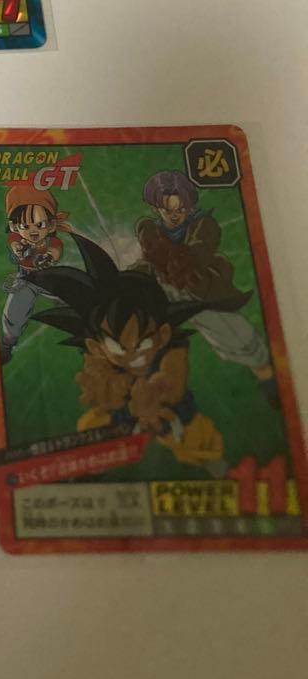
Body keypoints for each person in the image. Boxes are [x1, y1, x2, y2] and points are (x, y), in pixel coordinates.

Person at [29, 234, 232, 476]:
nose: (133, 354)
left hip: (169, 410)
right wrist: (112, 390)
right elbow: (98, 382)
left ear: (163, 334)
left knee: (197, 436)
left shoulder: (171, 348)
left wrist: (157, 394)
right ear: (97, 346)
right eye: (118, 347)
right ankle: (88, 470)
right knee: (90, 427)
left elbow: (173, 376)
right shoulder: (98, 353)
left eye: (142, 343)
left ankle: (213, 464)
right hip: (123, 412)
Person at [134, 170, 275, 404]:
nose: (175, 216)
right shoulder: (152, 231)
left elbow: (200, 249)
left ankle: (268, 376)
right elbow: (147, 261)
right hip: (169, 290)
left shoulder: (203, 224)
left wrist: (178, 258)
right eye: (168, 210)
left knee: (236, 337)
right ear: (157, 209)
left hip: (202, 291)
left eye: (181, 209)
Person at [0, 183, 69, 363]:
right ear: (14, 226)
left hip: (50, 279)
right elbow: (15, 244)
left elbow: (55, 250)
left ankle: (86, 339)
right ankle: (7, 344)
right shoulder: (16, 238)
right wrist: (20, 249)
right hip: (26, 280)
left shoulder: (52, 242)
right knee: (14, 312)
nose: (33, 231)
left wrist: (48, 257)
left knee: (73, 301)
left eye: (39, 225)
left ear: (51, 225)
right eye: (26, 226)